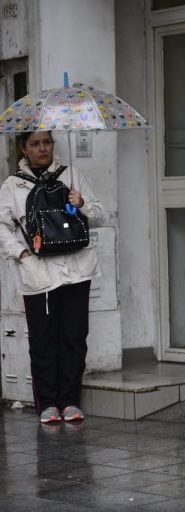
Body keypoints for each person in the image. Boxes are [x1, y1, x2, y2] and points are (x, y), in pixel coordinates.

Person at [0, 131, 106, 424]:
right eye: (35, 143)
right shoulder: (13, 185)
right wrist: (20, 254)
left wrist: (82, 202)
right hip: (38, 273)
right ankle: (47, 403)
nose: (42, 148)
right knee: (44, 340)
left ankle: (70, 401)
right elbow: (2, 226)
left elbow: (100, 216)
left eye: (47, 142)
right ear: (24, 148)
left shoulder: (71, 175)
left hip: (77, 269)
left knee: (74, 337)